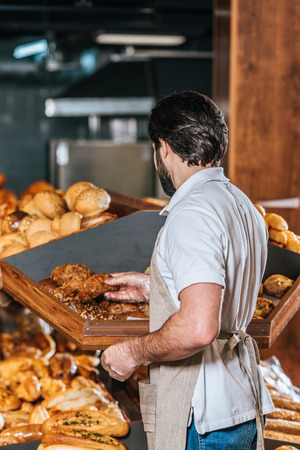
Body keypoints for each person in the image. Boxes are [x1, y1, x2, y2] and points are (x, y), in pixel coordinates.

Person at [101, 91, 274, 450]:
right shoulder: (243, 206)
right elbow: (221, 291)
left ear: (162, 148)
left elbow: (198, 328)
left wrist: (132, 353)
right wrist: (155, 288)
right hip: (240, 405)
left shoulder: (191, 214)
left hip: (204, 420)